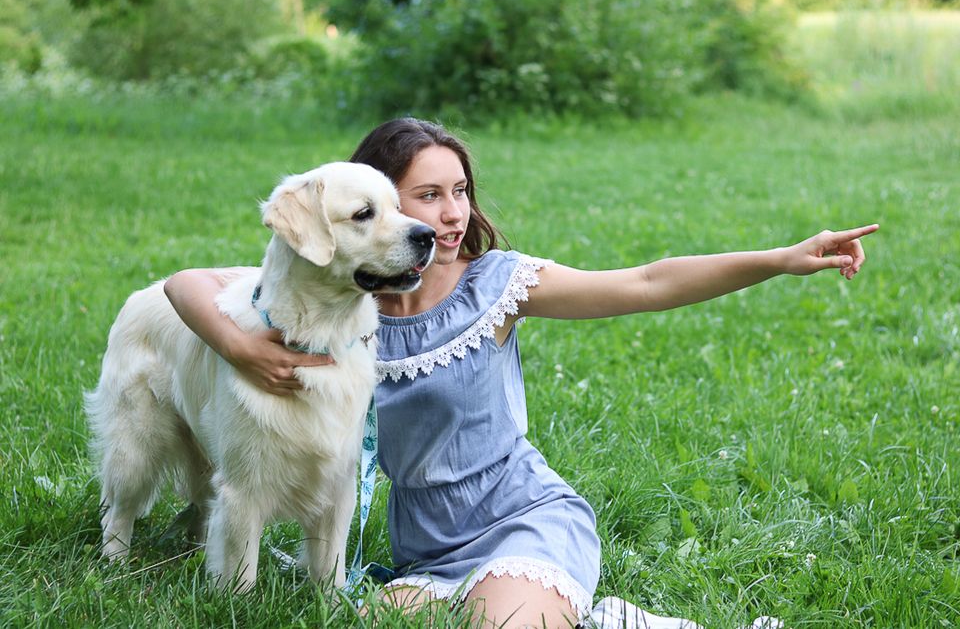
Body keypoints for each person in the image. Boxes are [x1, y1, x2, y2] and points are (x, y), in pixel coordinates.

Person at [163, 118, 877, 628]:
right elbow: (184, 284)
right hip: (424, 550)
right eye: (428, 196)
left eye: (460, 192)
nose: (450, 215)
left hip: (521, 523)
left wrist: (781, 258)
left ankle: (566, 602)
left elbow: (649, 282)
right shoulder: (333, 296)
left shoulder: (495, 287)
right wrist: (237, 344)